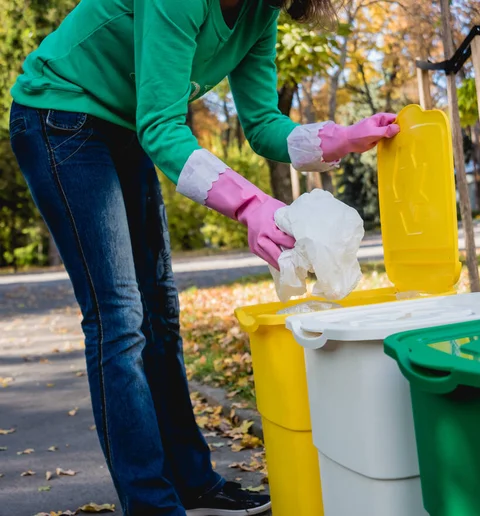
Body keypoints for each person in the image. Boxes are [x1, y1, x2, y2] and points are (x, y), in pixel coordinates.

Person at [8, 1, 400, 515]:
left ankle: (193, 482)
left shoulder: (262, 12)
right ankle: (151, 504)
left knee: (161, 313)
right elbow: (162, 125)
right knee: (120, 317)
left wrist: (344, 138)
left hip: (125, 126)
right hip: (62, 115)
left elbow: (261, 123)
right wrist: (250, 204)